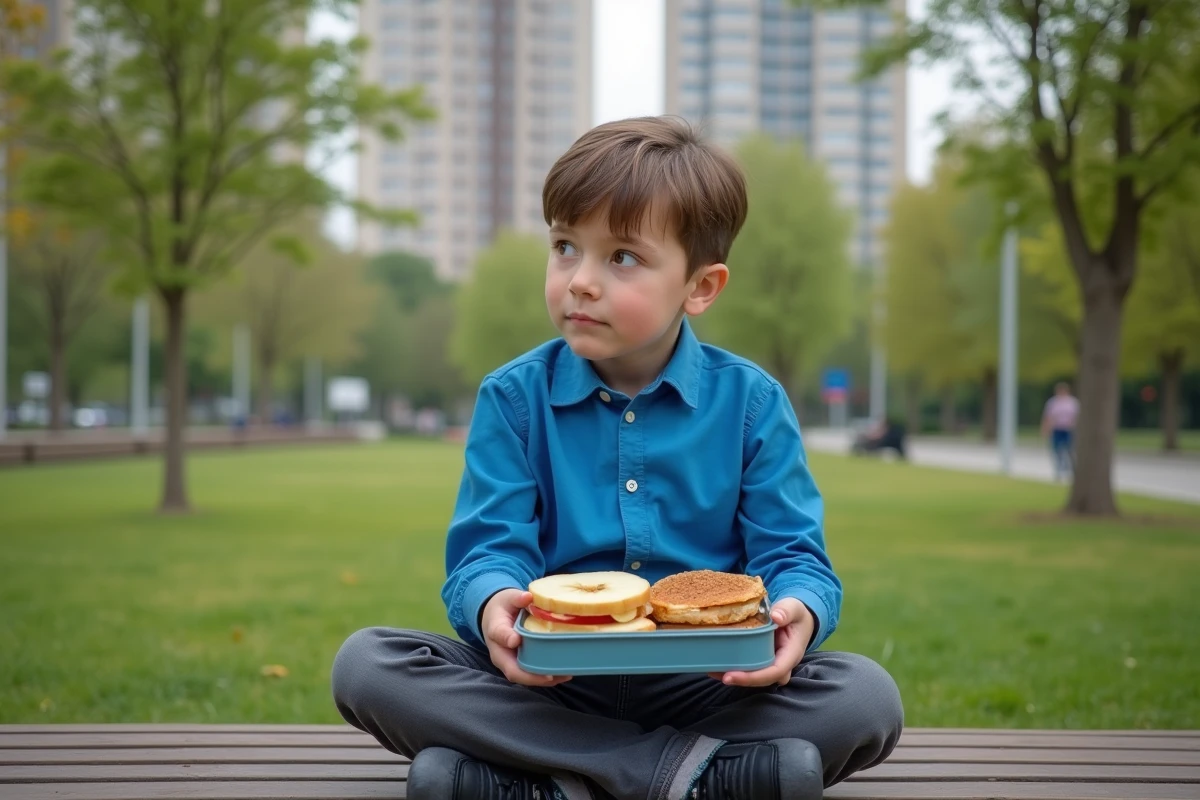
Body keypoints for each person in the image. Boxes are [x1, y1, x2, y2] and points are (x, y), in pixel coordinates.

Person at [331, 117, 903, 800]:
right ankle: (685, 777)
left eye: (621, 258)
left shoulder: (752, 403)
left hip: (712, 687)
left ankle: (549, 781)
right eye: (565, 246)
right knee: (367, 664)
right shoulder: (514, 400)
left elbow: (793, 558)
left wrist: (797, 615)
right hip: (550, 684)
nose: (580, 281)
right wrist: (492, 608)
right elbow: (488, 550)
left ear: (701, 286)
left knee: (866, 696)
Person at [1040, 382, 1080, 481]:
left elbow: (1077, 417)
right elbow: (1048, 417)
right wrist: (1045, 429)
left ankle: (1072, 470)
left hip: (1069, 429)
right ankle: (1058, 470)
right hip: (1057, 429)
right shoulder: (1052, 402)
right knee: (1056, 450)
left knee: (1070, 450)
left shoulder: (1073, 403)